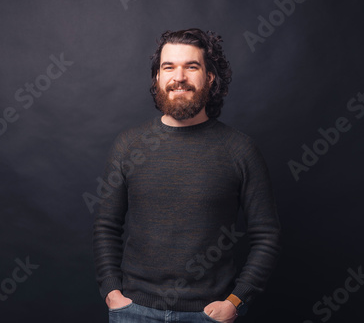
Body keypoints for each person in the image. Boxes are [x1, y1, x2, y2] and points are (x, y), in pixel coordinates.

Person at [93, 28, 281, 323]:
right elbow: (106, 225)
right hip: (133, 311)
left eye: (191, 66)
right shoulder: (128, 145)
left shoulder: (240, 150)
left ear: (210, 78)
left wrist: (236, 301)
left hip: (208, 315)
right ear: (157, 78)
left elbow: (266, 234)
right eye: (169, 67)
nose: (178, 77)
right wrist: (112, 292)